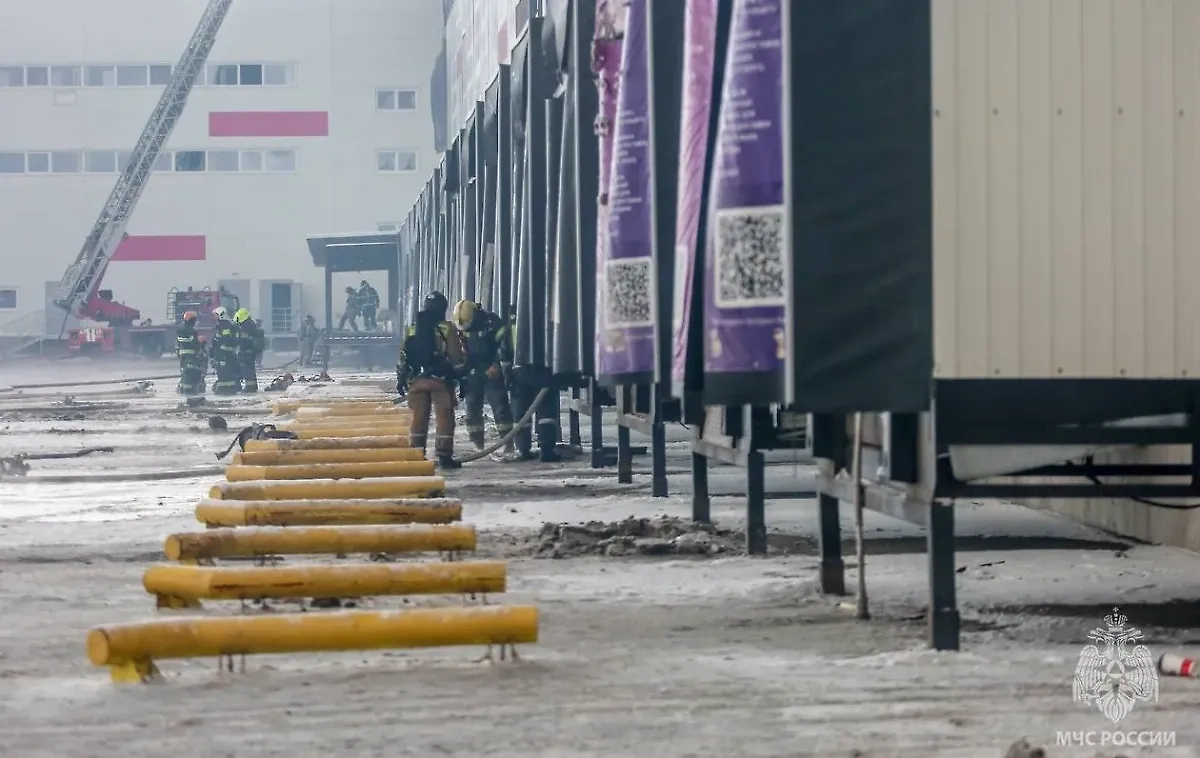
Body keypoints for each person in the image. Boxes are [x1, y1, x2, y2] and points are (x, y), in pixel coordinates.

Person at [400, 291, 464, 469]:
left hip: (417, 381)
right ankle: (444, 456)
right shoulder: (447, 328)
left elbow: (403, 355)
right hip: (440, 381)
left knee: (419, 418)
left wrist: (402, 378)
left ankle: (416, 453)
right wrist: (460, 376)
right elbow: (456, 356)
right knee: (444, 417)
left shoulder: (412, 328)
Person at [452, 299, 515, 454]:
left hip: (491, 370)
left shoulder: (491, 322)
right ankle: (477, 443)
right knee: (472, 408)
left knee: (500, 406)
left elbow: (505, 345)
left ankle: (508, 443)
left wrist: (497, 364)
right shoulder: (461, 328)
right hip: (472, 371)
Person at [233, 308, 265, 393]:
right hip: (251, 351)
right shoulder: (251, 324)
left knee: (247, 369)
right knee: (250, 369)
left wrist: (238, 343)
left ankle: (250, 387)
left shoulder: (245, 327)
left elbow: (243, 341)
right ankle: (252, 386)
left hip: (246, 351)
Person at [175, 311, 207, 396]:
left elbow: (178, 343)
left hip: (182, 355)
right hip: (191, 355)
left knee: (184, 371)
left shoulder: (179, 329)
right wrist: (201, 342)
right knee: (192, 371)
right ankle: (192, 388)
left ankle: (182, 387)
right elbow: (194, 344)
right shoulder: (192, 331)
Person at [210, 307, 240, 395]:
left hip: (224, 353)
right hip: (222, 352)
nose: (214, 317)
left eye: (215, 315)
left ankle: (225, 388)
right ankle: (225, 387)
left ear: (221, 315)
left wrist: (221, 351)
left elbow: (226, 339)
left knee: (224, 371)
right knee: (222, 371)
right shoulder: (222, 325)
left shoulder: (225, 325)